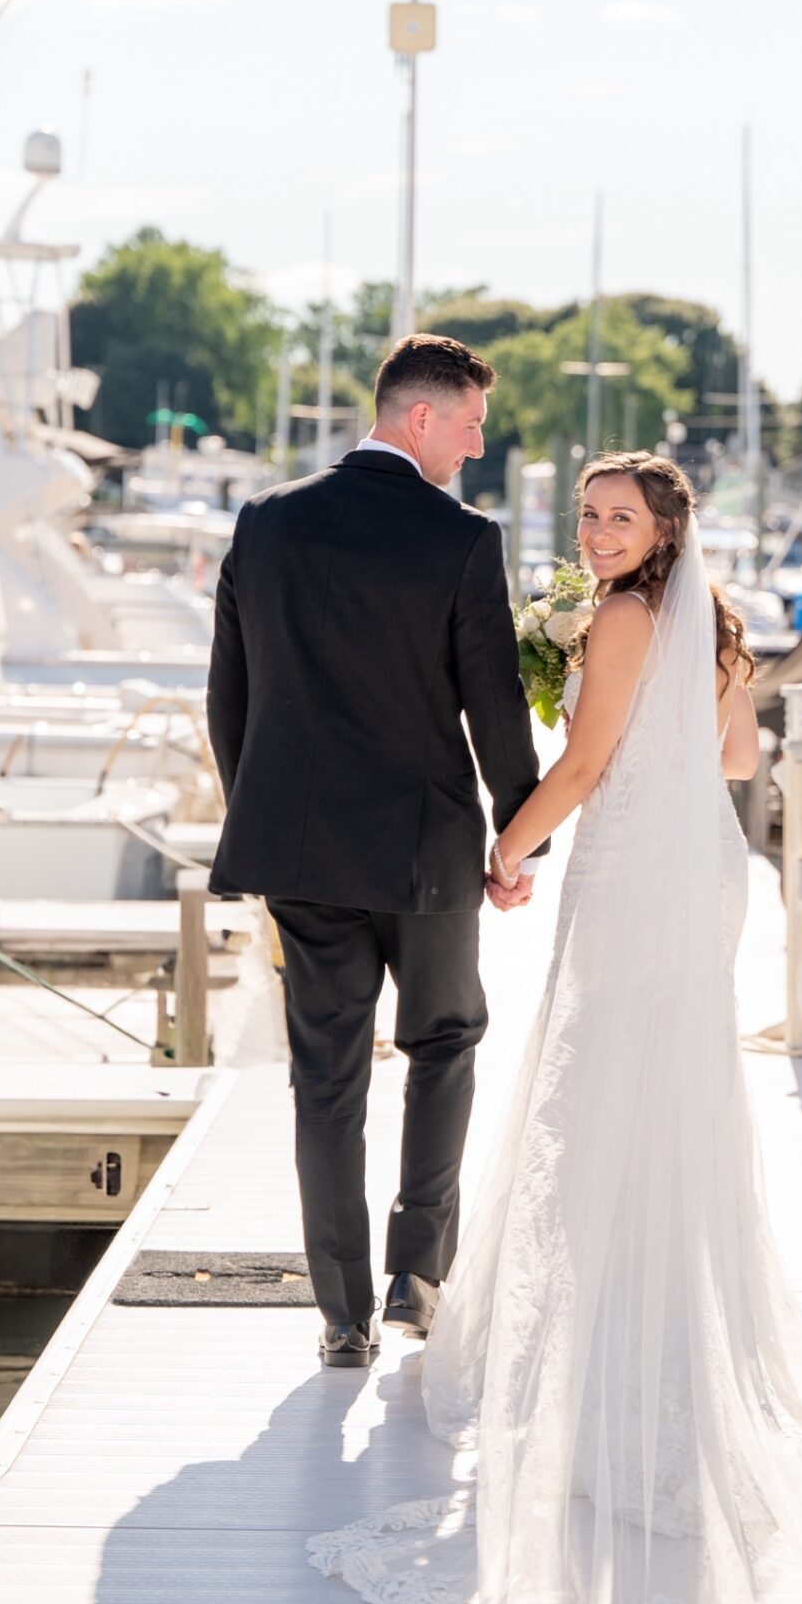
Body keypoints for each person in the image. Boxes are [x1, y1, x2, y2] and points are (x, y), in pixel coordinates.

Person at [309, 452, 802, 1604]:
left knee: (603, 1086)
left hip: (635, 868)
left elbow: (582, 764)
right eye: (585, 515)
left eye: (617, 516)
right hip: (700, 864)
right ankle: (670, 1338)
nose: (596, 531)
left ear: (665, 526)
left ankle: (612, 1369)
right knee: (664, 1099)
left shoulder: (626, 618)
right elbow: (734, 753)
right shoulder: (717, 625)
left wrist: (502, 844)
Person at [206, 334, 542, 1369]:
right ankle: (417, 1271)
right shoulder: (460, 538)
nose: (478, 447)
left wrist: (261, 816)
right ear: (421, 419)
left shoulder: (266, 524)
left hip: (301, 853)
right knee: (443, 1045)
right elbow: (494, 709)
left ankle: (341, 1312)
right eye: (472, 424)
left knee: (326, 1079)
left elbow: (231, 699)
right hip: (425, 852)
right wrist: (515, 833)